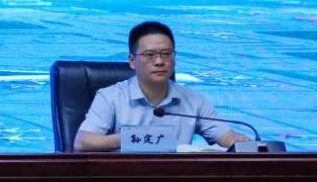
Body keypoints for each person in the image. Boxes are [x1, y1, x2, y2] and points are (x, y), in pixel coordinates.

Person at [74, 20, 250, 152]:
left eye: (166, 54)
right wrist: (134, 139)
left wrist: (237, 140)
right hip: (125, 179)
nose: (159, 61)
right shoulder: (110, 97)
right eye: (150, 54)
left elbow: (224, 136)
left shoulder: (194, 100)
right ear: (132, 61)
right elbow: (82, 142)